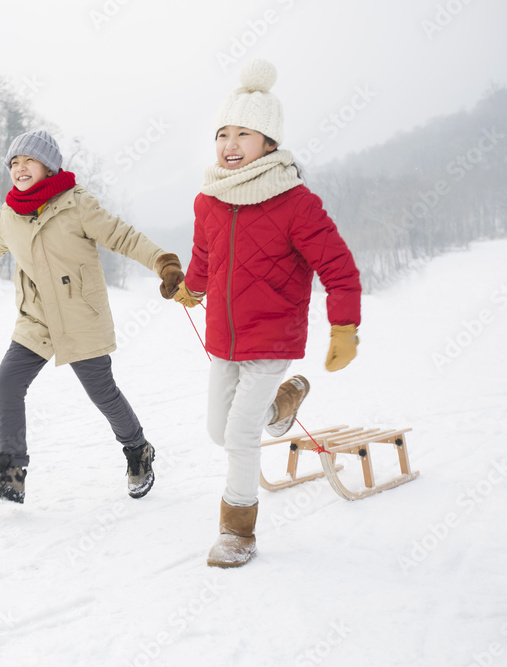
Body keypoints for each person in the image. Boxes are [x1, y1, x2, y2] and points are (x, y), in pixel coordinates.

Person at [0, 129, 184, 504]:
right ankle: (11, 473)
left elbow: (123, 237)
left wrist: (164, 263)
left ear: (48, 166)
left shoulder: (78, 204)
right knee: (8, 382)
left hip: (80, 315)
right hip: (37, 318)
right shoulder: (11, 214)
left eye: (28, 160)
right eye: (14, 162)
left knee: (102, 394)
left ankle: (138, 450)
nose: (19, 168)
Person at [172, 59, 362, 567]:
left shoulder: (295, 202)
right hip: (223, 339)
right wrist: (191, 289)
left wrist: (344, 325)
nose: (229, 144)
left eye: (244, 134)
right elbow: (204, 259)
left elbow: (337, 265)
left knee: (237, 436)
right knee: (218, 430)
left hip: (273, 338)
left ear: (269, 144)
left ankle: (238, 531)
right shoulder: (208, 200)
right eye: (223, 134)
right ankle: (283, 406)